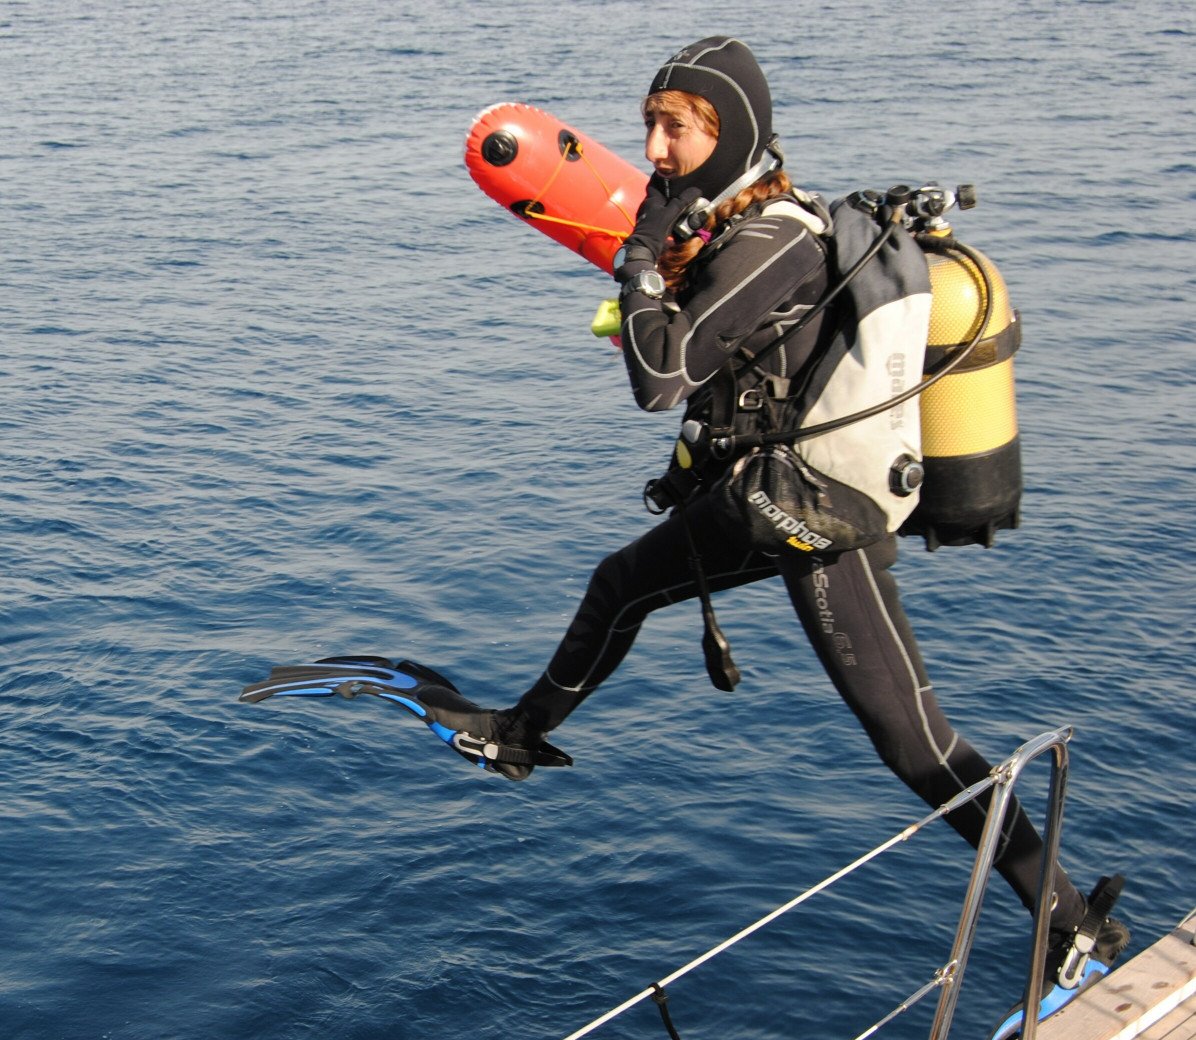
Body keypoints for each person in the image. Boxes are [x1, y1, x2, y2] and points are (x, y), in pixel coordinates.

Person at [244, 38, 1126, 989]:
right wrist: (661, 262)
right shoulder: (730, 227)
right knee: (621, 584)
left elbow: (662, 378)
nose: (656, 148)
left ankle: (1069, 920)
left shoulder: (771, 240)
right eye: (649, 128)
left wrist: (637, 262)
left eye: (677, 128)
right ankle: (517, 734)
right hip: (765, 496)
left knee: (915, 743)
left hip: (818, 516)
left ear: (729, 131)